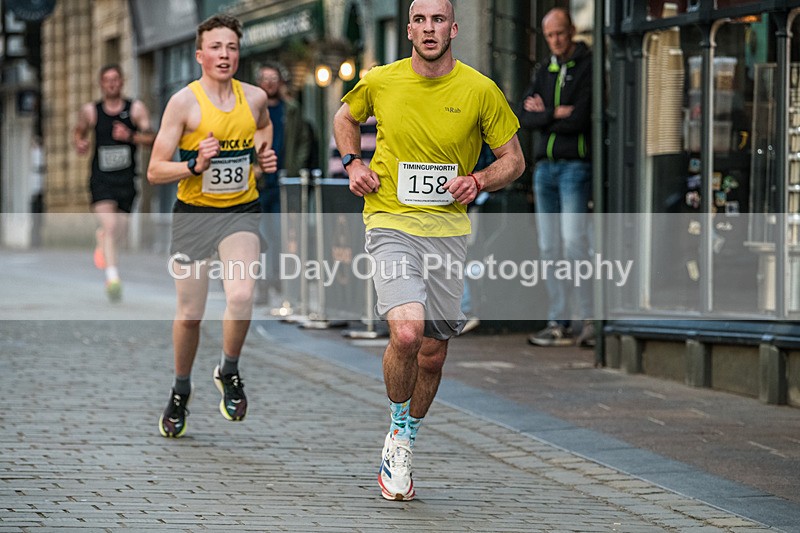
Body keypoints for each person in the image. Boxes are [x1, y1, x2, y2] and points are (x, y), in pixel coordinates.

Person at [333, 0, 525, 501]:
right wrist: (353, 163)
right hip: (390, 220)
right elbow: (344, 117)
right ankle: (397, 432)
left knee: (434, 355)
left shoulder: (480, 90)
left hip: (448, 231)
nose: (429, 28)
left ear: (453, 28)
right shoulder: (381, 80)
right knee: (407, 331)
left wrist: (479, 179)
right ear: (409, 29)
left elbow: (515, 161)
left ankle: (410, 436)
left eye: (438, 19)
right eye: (420, 19)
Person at [147, 14, 277, 438]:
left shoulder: (255, 98)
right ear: (200, 54)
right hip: (194, 216)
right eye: (216, 48)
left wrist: (264, 156)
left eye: (232, 48)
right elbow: (154, 170)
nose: (224, 55)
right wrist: (193, 163)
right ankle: (181, 389)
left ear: (240, 53)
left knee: (241, 295)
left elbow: (263, 129)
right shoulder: (184, 103)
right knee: (190, 314)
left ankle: (229, 370)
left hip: (240, 212)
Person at [517, 8, 595, 348]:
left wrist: (545, 114)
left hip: (575, 167)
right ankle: (558, 321)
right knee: (549, 248)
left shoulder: (588, 66)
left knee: (574, 243)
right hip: (544, 170)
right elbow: (525, 116)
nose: (555, 40)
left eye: (560, 33)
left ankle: (590, 318)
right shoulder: (543, 69)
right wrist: (553, 114)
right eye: (549, 35)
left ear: (572, 31)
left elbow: (580, 119)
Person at [73, 64, 155, 302]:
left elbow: (152, 137)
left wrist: (130, 136)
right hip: (101, 180)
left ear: (122, 82)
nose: (111, 84)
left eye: (115, 79)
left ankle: (103, 241)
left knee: (120, 231)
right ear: (100, 83)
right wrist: (80, 143)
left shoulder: (136, 109)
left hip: (126, 180)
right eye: (106, 80)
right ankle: (113, 278)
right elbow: (78, 132)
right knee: (111, 227)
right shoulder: (91, 111)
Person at [254, 61, 312, 305]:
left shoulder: (292, 109)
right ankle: (262, 286)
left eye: (273, 78)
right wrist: (252, 167)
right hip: (256, 184)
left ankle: (275, 279)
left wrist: (293, 170)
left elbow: (303, 141)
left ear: (280, 82)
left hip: (282, 183)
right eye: (265, 78)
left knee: (279, 236)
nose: (269, 83)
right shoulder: (250, 110)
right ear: (259, 82)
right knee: (257, 238)